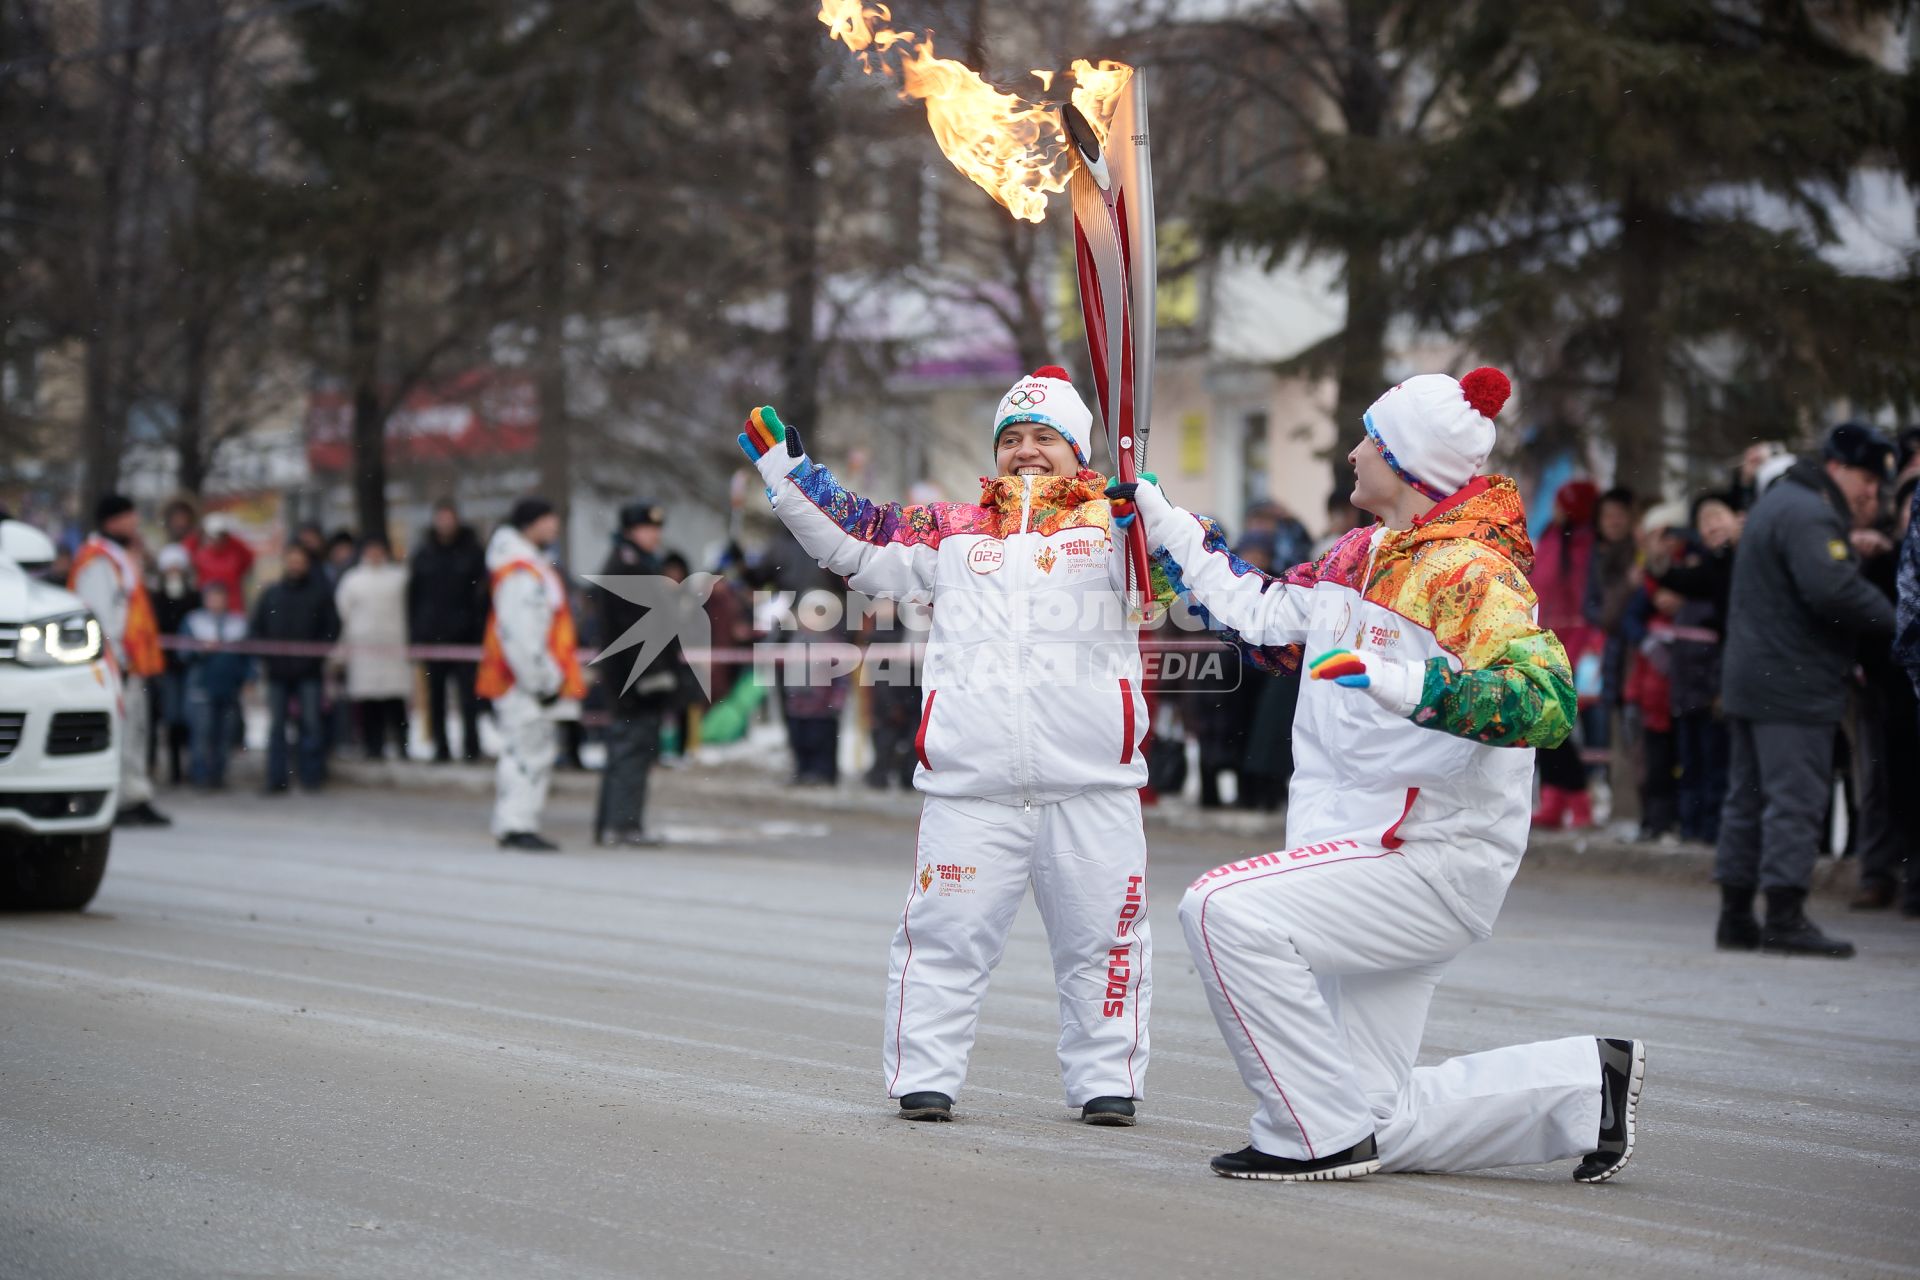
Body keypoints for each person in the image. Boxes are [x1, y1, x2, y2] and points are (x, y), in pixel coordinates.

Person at [1123, 367, 1642, 1185]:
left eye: (1371, 438)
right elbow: (1261, 615)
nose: (1355, 451)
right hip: (1349, 853)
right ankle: (1585, 1091)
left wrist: (1414, 687)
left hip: (1424, 859)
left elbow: (1545, 703)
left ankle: (1306, 1135)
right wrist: (1166, 528)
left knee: (1221, 912)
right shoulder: (1360, 553)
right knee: (1374, 1113)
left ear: (1406, 464)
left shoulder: (1472, 574)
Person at [736, 366, 1167, 1127]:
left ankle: (1108, 1081)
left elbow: (1173, 591)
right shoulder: (955, 530)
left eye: (1044, 439)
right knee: (943, 938)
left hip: (1093, 783)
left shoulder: (1113, 526)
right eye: (1013, 439)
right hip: (972, 786)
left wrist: (1153, 526)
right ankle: (924, 1077)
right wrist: (789, 473)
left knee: (1105, 943)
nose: (1027, 452)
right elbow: (857, 536)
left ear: (1079, 449)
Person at [1715, 423, 1897, 958]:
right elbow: (1831, 588)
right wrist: (1899, 619)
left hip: (1756, 675)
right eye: (1866, 477)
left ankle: (1736, 915)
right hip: (1791, 680)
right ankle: (1785, 916)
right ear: (1838, 467)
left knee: (1746, 798)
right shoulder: (1810, 512)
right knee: (1794, 799)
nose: (1872, 491)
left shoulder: (1781, 502)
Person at [477, 498, 584, 852]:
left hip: (529, 679)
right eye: (548, 519)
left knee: (531, 751)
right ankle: (515, 825)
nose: (554, 526)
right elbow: (520, 634)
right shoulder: (520, 573)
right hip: (523, 682)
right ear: (529, 524)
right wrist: (541, 680)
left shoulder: (530, 567)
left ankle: (519, 823)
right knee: (525, 752)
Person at [70, 494, 173, 827]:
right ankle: (118, 800)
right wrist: (117, 660)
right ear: (112, 521)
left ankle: (136, 794)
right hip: (116, 665)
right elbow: (101, 615)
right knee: (123, 732)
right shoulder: (97, 560)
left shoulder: (118, 558)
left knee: (137, 731)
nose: (135, 522)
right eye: (129, 516)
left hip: (133, 664)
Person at [590, 501, 678, 847]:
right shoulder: (629, 569)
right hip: (634, 677)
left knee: (627, 751)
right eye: (648, 528)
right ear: (631, 531)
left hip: (631, 675)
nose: (654, 535)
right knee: (632, 751)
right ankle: (622, 826)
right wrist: (653, 674)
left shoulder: (635, 564)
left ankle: (614, 824)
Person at [1531, 480, 1601, 830]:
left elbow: (1588, 600)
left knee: (1555, 723)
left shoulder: (1588, 546)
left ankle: (1576, 798)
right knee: (1544, 722)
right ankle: (1555, 798)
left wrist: (1588, 645)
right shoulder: (1552, 536)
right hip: (1544, 638)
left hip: (1573, 642)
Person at [251, 543, 340, 793]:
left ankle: (311, 777)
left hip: (309, 671)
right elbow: (257, 627)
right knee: (277, 726)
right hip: (278, 672)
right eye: (291, 560)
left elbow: (332, 628)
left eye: (300, 561)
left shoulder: (319, 594)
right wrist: (267, 655)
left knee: (311, 724)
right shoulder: (272, 593)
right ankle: (276, 779)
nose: (295, 565)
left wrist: (316, 655)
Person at [408, 499, 488, 763]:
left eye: (448, 517)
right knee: (436, 698)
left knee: (469, 698)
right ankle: (440, 747)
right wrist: (416, 635)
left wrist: (478, 632)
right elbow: (414, 598)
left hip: (466, 638)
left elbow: (482, 597)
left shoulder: (472, 552)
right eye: (440, 518)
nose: (444, 523)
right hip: (433, 638)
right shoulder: (424, 554)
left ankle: (471, 747)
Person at [335, 535, 413, 760]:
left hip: (394, 646)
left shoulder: (399, 578)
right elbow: (343, 615)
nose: (375, 554)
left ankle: (402, 745)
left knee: (396, 702)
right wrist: (340, 652)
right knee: (369, 705)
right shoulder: (352, 580)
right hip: (363, 649)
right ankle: (373, 748)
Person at [180, 581, 252, 789]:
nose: (216, 602)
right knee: (202, 735)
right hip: (200, 688)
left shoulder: (237, 623)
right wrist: (200, 650)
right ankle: (200, 775)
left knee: (224, 736)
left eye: (220, 597)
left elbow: (248, 655)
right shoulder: (194, 622)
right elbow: (182, 653)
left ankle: (218, 776)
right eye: (212, 597)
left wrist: (249, 677)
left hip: (229, 689)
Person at [149, 543, 200, 788]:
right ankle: (174, 769)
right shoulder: (156, 599)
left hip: (189, 666)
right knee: (171, 718)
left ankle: (192, 767)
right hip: (166, 667)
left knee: (189, 719)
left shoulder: (193, 598)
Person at [187, 512, 255, 603]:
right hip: (207, 606)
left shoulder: (234, 555)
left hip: (232, 605)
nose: (217, 540)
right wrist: (198, 533)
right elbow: (185, 552)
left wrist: (230, 536)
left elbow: (249, 557)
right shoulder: (200, 555)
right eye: (213, 536)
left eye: (222, 536)